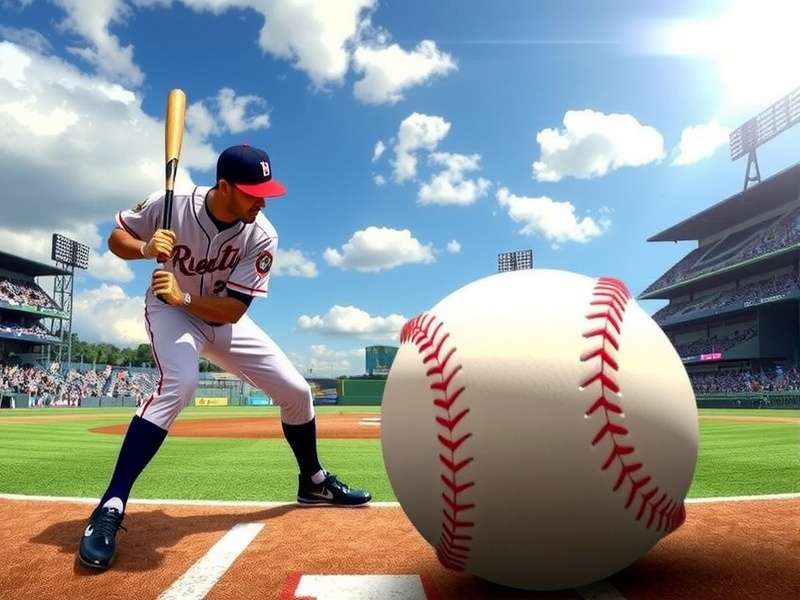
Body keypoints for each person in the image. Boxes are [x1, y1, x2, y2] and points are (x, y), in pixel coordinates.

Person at [77, 144, 371, 571]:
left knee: (296, 393)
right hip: (169, 311)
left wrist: (186, 294)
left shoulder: (262, 234)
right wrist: (144, 249)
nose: (262, 200)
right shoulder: (170, 204)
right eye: (254, 192)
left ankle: (313, 481)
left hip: (217, 313)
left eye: (266, 191)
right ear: (224, 187)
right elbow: (116, 238)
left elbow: (233, 310)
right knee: (180, 383)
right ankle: (111, 505)